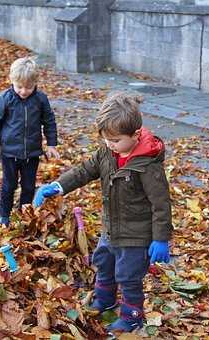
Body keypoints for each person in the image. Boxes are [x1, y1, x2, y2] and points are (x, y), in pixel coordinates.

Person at [33, 92, 172, 333]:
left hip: (136, 235)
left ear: (136, 135)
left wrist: (161, 238)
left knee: (128, 276)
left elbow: (161, 204)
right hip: (111, 229)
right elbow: (84, 171)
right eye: (106, 139)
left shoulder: (148, 167)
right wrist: (59, 185)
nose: (110, 144)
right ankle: (105, 299)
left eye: (116, 140)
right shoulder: (108, 153)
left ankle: (132, 317)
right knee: (104, 263)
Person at [0, 57, 59, 227]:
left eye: (29, 87)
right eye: (19, 87)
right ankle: (4, 215)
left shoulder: (40, 99)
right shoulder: (5, 99)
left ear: (35, 83)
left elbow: (49, 121)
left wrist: (51, 143)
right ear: (12, 81)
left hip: (31, 153)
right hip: (10, 153)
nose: (24, 91)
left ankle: (24, 213)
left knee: (28, 186)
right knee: (8, 186)